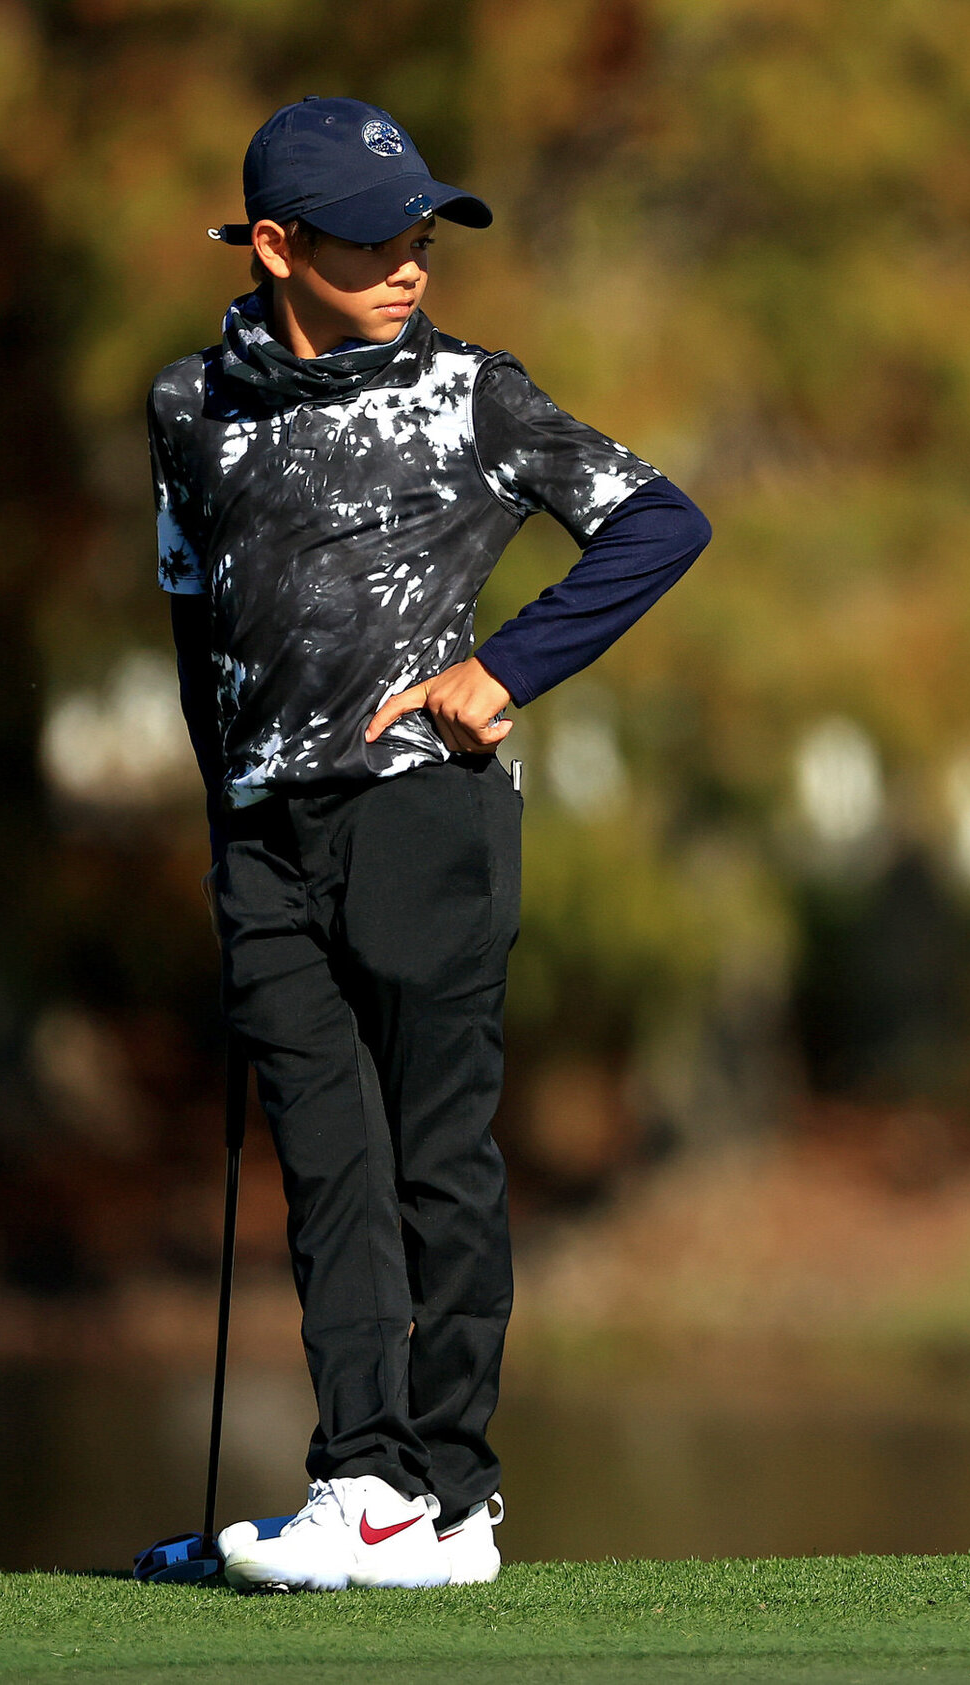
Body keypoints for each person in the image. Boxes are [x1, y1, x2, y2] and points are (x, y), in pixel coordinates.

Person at [147, 97, 711, 1593]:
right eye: (376, 239)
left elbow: (660, 520)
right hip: (266, 844)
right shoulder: (188, 407)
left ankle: (445, 1494)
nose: (411, 262)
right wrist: (223, 828)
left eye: (422, 235)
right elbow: (196, 622)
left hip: (424, 821)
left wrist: (505, 669)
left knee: (438, 1162)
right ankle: (364, 1482)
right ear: (278, 245)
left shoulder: (473, 392)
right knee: (328, 1167)